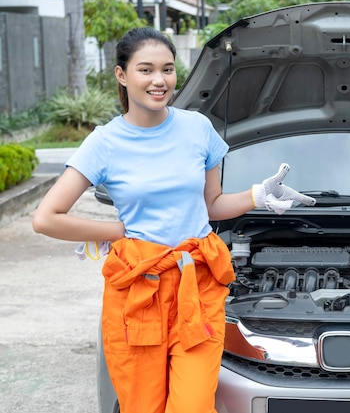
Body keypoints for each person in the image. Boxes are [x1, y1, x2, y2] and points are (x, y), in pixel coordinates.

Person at [32, 27, 314, 413]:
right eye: (145, 70)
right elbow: (47, 218)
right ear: (121, 75)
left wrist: (257, 196)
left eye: (167, 69)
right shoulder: (104, 142)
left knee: (192, 406)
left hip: (196, 285)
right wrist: (119, 231)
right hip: (139, 291)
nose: (159, 80)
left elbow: (211, 205)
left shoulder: (197, 128)